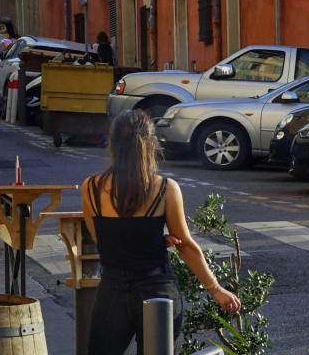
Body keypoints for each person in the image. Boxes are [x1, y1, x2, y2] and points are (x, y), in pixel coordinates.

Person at [82, 112, 241, 354]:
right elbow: (185, 245)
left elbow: (101, 237)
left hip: (112, 291)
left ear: (112, 144)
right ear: (151, 144)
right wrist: (215, 288)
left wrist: (140, 240)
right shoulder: (165, 189)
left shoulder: (91, 187)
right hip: (157, 289)